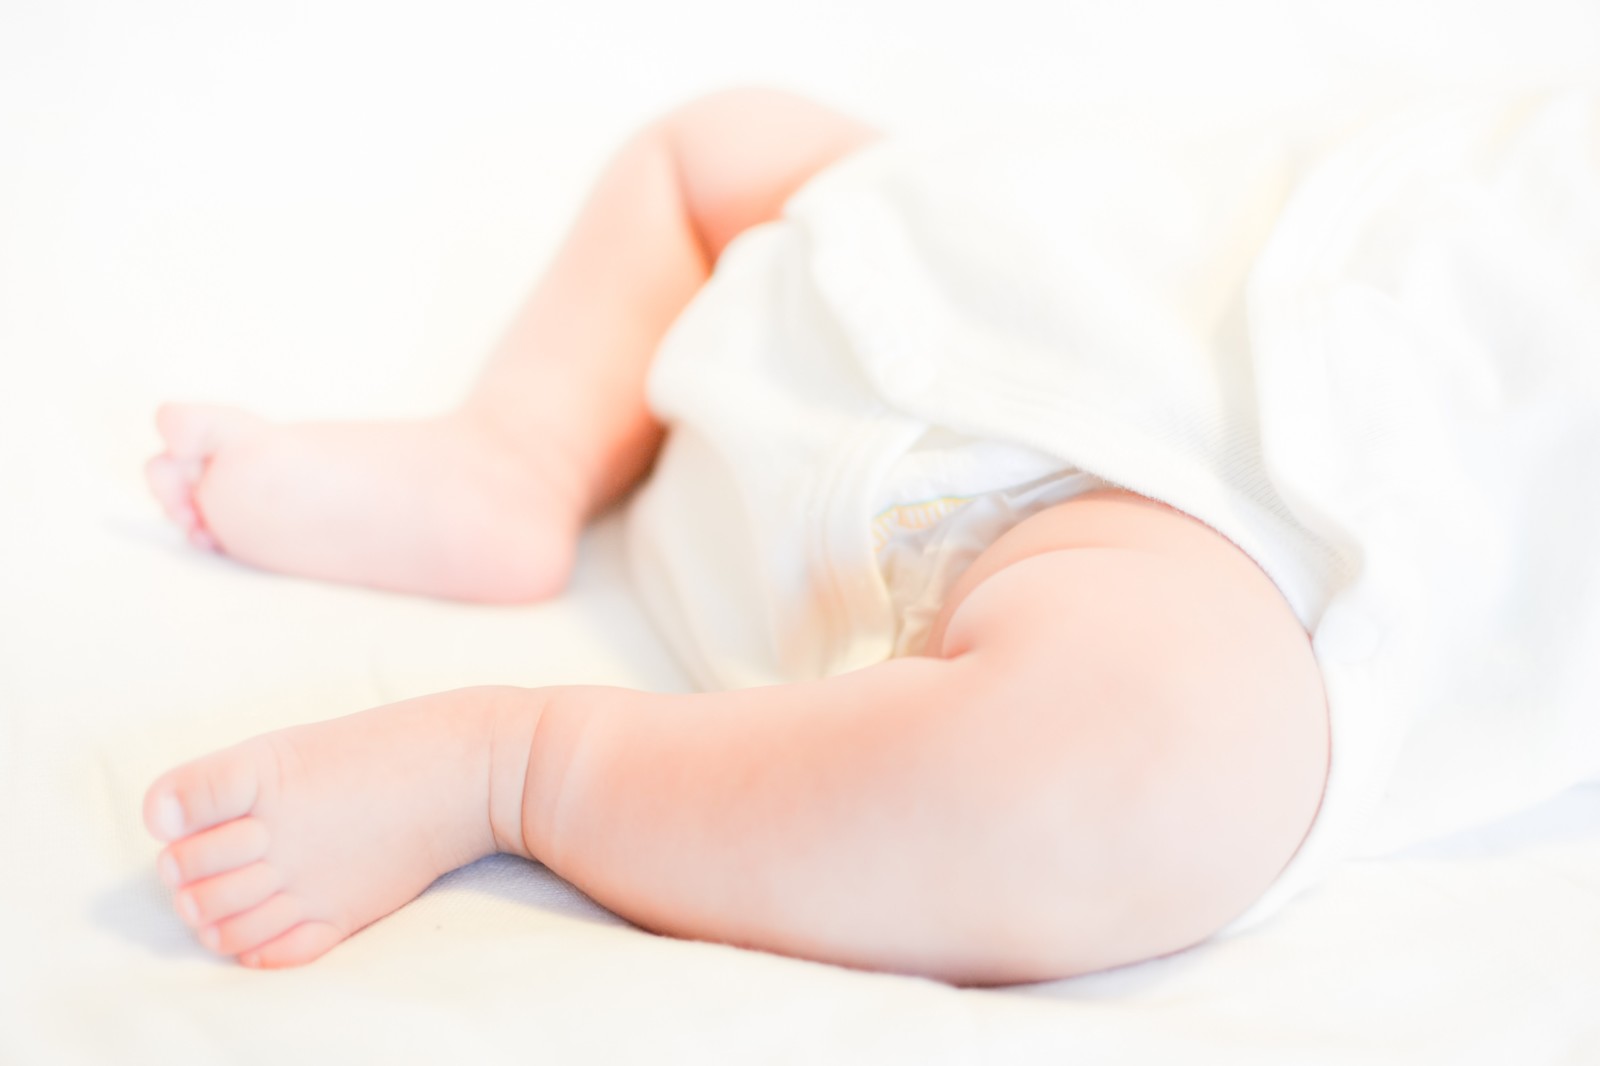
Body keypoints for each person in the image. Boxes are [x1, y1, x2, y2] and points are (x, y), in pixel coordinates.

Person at [144, 86, 1373, 986]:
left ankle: (521, 769)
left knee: (1142, 767)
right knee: (722, 143)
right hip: (977, 275)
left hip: (1184, 529)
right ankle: (520, 450)